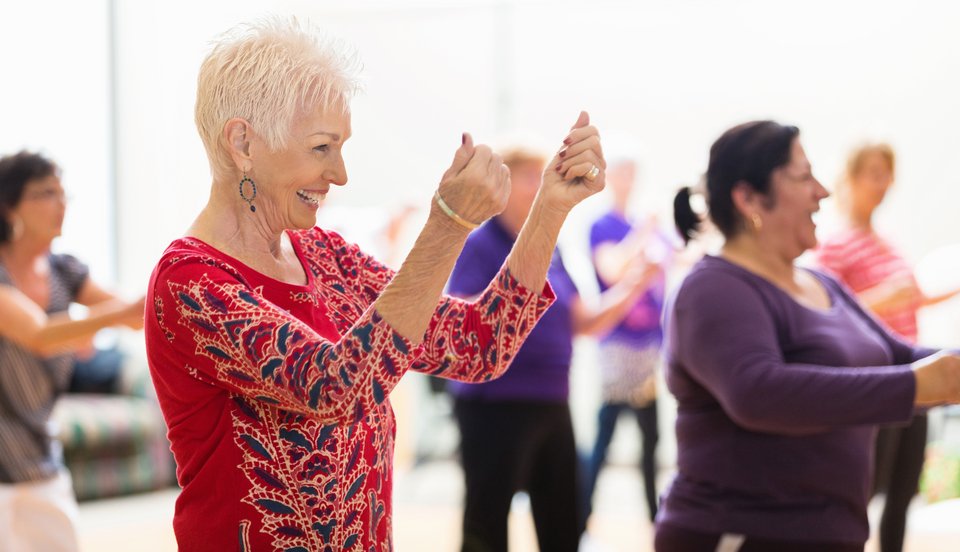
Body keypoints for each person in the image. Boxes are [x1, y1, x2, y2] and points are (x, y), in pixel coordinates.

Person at [142, 19, 607, 551]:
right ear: (243, 141)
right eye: (322, 147)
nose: (339, 174)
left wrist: (549, 209)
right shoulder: (190, 281)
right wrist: (448, 223)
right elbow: (340, 389)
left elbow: (479, 345)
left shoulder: (324, 254)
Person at [659, 120, 960, 551]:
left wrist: (941, 374)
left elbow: (899, 356)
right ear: (747, 198)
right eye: (803, 177)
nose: (822, 191)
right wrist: (918, 384)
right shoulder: (713, 288)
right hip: (740, 535)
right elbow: (758, 391)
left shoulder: (823, 283)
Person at [446, 143, 655, 552]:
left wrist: (635, 284)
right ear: (503, 184)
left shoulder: (551, 249)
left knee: (564, 523)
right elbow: (462, 326)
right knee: (486, 526)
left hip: (552, 401)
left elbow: (584, 322)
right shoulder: (480, 245)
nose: (540, 189)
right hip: (493, 405)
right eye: (529, 178)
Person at [815, 142, 960, 552]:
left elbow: (911, 296)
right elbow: (823, 312)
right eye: (874, 174)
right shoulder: (835, 244)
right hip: (875, 379)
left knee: (903, 488)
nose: (883, 184)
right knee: (868, 485)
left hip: (912, 373)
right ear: (852, 178)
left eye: (887, 174)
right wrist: (885, 295)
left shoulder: (887, 241)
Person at [0, 151, 145, 552]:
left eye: (64, 194)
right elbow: (40, 334)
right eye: (46, 193)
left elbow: (134, 316)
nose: (61, 204)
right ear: (9, 204)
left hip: (39, 457)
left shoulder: (65, 271)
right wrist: (107, 318)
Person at [583, 152, 672, 527]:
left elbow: (674, 264)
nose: (627, 180)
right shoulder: (603, 225)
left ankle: (656, 520)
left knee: (651, 440)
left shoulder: (644, 224)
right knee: (605, 437)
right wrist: (644, 236)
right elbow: (612, 268)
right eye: (622, 173)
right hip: (617, 347)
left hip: (649, 346)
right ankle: (581, 514)